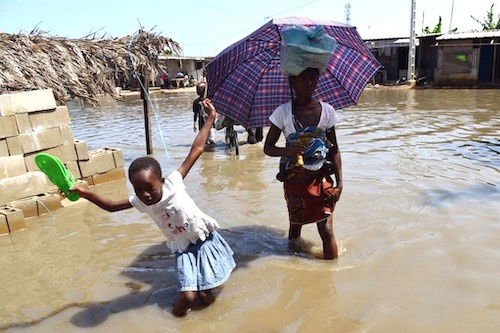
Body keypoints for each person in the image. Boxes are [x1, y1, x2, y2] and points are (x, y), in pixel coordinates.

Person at [70, 99, 235, 317]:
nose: (145, 195)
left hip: (203, 240)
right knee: (187, 297)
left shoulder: (174, 182)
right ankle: (175, 320)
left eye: (150, 188)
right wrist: (85, 192)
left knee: (205, 296)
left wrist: (211, 119)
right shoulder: (140, 202)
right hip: (183, 248)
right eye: (138, 190)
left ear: (161, 181)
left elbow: (197, 148)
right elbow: (110, 206)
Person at [263, 67, 343, 260]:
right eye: (303, 79)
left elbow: (334, 149)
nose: (309, 83)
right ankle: (293, 265)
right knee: (295, 225)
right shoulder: (282, 113)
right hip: (294, 179)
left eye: (313, 79)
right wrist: (287, 151)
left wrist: (340, 184)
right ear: (293, 82)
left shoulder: (327, 111)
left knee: (326, 229)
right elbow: (268, 148)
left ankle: (330, 276)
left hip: (321, 177)